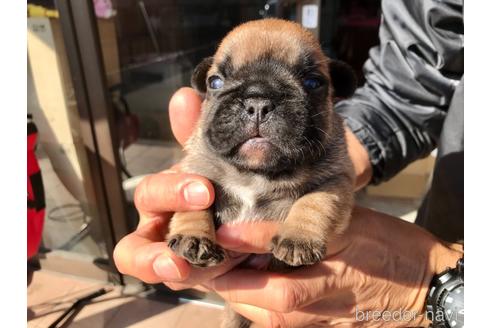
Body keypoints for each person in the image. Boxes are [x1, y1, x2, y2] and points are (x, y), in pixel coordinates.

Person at [113, 0, 464, 326]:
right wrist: (192, 225)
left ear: (333, 93)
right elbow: (415, 80)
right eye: (219, 82)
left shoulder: (325, 158)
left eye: (310, 82)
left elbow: (330, 186)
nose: (257, 106)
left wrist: (434, 287)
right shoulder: (206, 151)